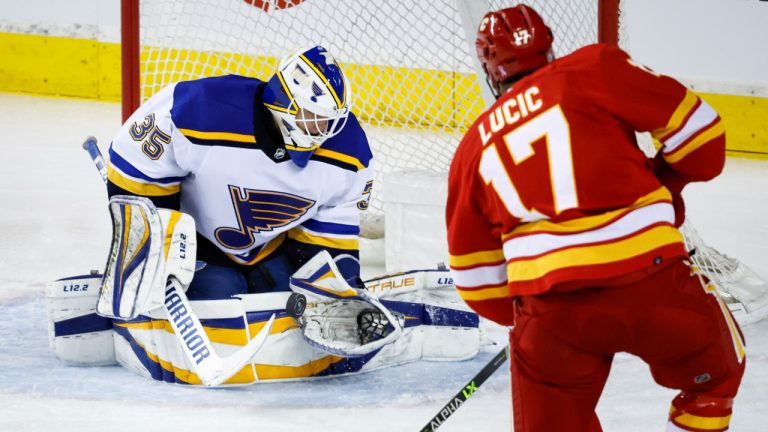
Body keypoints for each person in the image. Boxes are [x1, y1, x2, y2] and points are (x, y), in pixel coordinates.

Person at [446, 5, 745, 431]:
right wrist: (663, 184)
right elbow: (704, 141)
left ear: (491, 72)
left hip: (554, 317)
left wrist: (532, 311)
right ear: (548, 48)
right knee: (715, 379)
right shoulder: (593, 66)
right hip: (653, 283)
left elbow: (477, 282)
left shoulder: (472, 148)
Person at [106, 45, 373, 300]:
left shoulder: (349, 151)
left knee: (290, 299)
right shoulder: (204, 110)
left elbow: (332, 235)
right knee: (219, 293)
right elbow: (134, 161)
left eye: (331, 120)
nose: (325, 130)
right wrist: (158, 248)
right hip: (198, 242)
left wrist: (341, 287)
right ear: (285, 102)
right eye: (314, 116)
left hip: (273, 248)